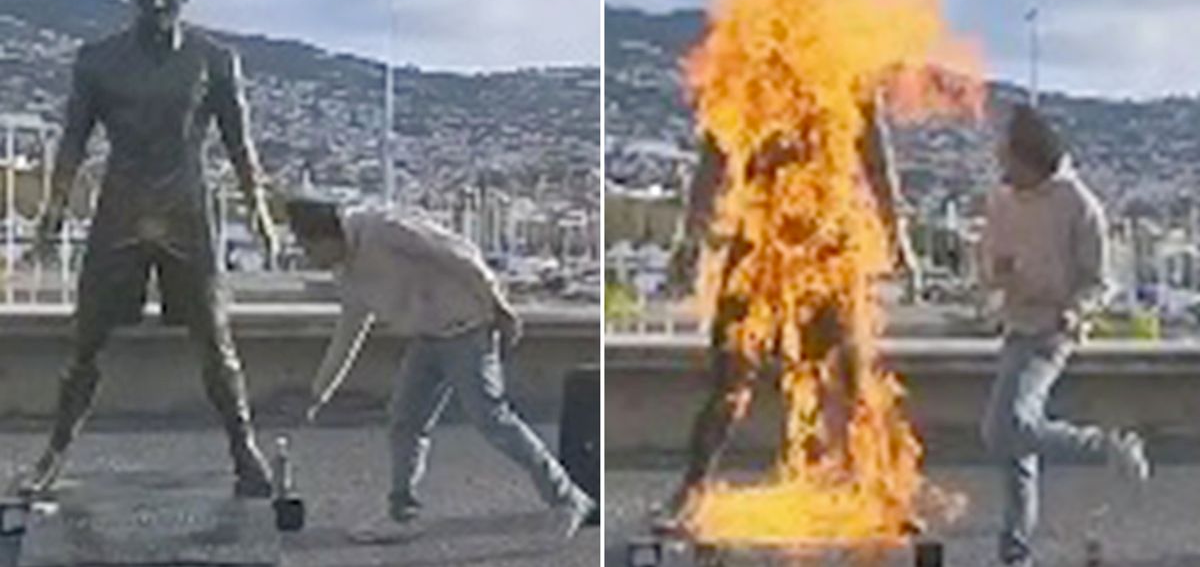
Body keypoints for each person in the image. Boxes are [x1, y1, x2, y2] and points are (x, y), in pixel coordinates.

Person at [16, 0, 276, 498]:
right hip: (121, 211)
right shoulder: (97, 61)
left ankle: (243, 449)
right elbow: (72, 145)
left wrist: (258, 207)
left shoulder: (214, 60)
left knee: (215, 338)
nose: (159, 7)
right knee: (86, 340)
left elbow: (240, 143)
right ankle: (55, 453)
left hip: (187, 212)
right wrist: (51, 215)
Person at [658, 91, 920, 528]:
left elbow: (876, 164)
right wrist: (689, 238)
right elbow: (713, 161)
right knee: (729, 377)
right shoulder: (750, 70)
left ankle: (880, 494)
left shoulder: (847, 76)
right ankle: (692, 491)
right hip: (757, 242)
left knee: (850, 378)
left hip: (827, 248)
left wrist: (898, 236)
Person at [286, 198, 596, 540]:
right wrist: (319, 392)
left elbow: (457, 254)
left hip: (468, 330)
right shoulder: (347, 274)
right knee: (405, 421)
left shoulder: (383, 229)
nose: (309, 258)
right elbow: (349, 331)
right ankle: (404, 515)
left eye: (308, 248)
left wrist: (499, 307)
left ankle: (568, 499)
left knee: (491, 419)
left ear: (326, 236)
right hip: (427, 338)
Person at [979, 103, 1149, 567]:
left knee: (1003, 429)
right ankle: (1015, 553)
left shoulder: (1079, 204)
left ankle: (1110, 446)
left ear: (1031, 158)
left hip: (1053, 329)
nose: (1001, 165)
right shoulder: (1001, 200)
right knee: (1016, 449)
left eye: (1008, 156)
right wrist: (998, 274)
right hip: (1015, 323)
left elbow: (1100, 280)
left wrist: (1076, 311)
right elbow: (989, 261)